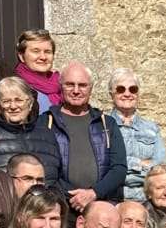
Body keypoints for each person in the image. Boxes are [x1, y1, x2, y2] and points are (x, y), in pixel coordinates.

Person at [52, 62, 128, 212]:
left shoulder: (107, 124)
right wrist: (75, 197)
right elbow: (47, 170)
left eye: (82, 85)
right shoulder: (48, 122)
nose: (76, 90)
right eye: (70, 84)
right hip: (62, 207)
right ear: (61, 86)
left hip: (102, 206)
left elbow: (119, 168)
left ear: (91, 88)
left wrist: (94, 193)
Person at [0, 77, 69, 187]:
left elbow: (59, 176)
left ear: (30, 103)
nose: (13, 106)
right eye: (6, 101)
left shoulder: (47, 134)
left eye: (19, 100)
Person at [107, 69, 166, 202]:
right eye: (121, 89)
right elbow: (105, 165)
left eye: (133, 89)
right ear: (111, 94)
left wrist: (124, 167)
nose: (127, 94)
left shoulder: (151, 129)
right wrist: (140, 163)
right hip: (114, 199)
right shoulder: (102, 127)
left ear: (138, 94)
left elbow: (161, 168)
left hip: (146, 199)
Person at [12, 29, 61, 113]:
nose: (43, 57)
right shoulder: (15, 87)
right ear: (21, 56)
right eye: (36, 51)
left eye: (47, 52)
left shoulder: (61, 84)